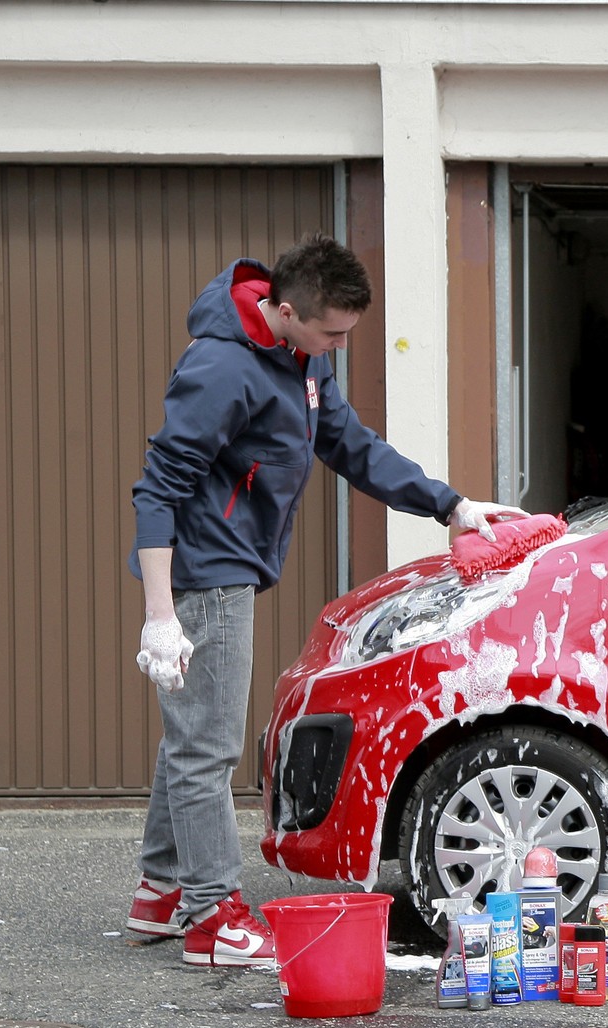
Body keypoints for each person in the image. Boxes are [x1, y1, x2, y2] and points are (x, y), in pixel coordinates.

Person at [126, 234, 522, 968]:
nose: (339, 346)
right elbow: (159, 489)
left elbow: (350, 445)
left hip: (231, 564)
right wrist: (160, 615)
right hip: (203, 574)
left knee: (192, 732)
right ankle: (210, 917)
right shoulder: (220, 368)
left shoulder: (302, 358)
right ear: (285, 311)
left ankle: (160, 888)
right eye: (332, 334)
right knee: (208, 746)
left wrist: (451, 505)